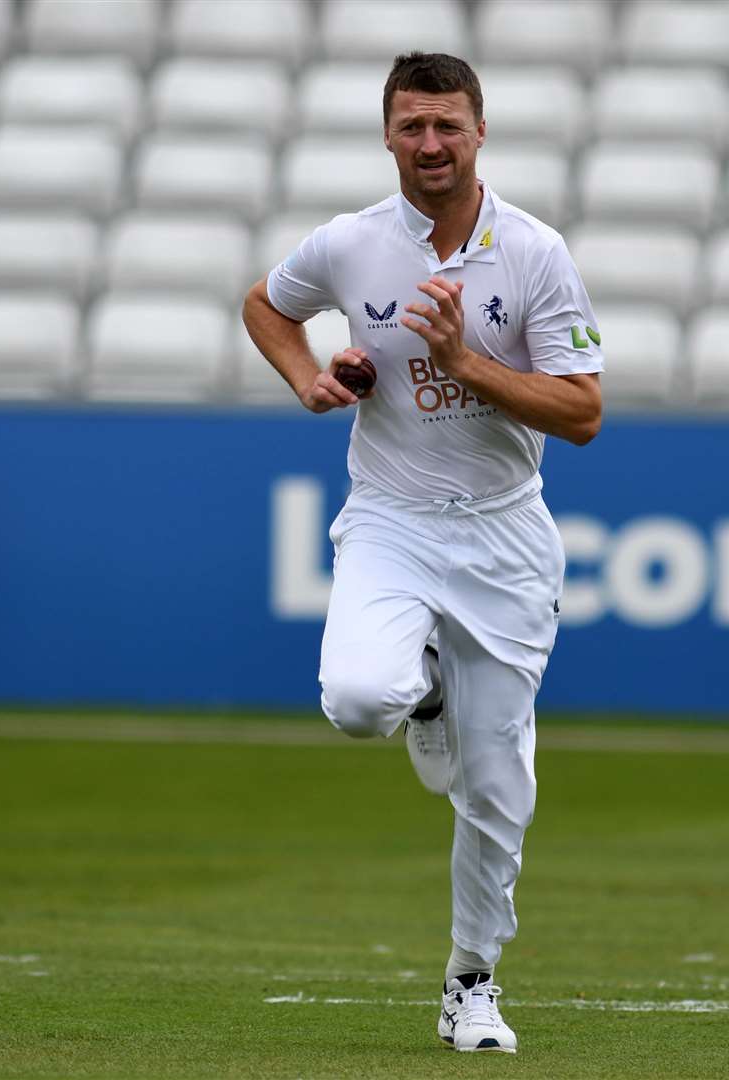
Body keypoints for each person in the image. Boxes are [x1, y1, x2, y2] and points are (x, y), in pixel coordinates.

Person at [243, 52, 604, 1054]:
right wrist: (312, 376)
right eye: (412, 126)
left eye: (447, 125)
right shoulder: (351, 243)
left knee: (495, 788)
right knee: (360, 702)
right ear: (388, 135)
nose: (430, 145)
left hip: (501, 532)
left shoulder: (533, 252)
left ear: (479, 131)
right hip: (392, 520)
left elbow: (581, 413)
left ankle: (470, 983)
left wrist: (461, 364)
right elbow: (266, 304)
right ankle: (425, 697)